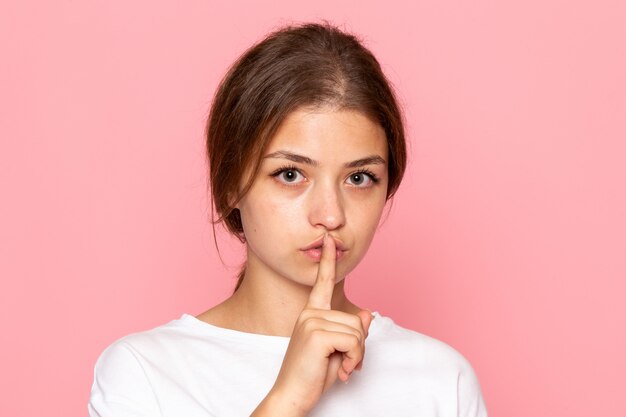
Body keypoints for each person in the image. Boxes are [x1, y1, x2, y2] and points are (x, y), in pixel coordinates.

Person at [88, 22, 488, 417]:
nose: (331, 214)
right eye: (290, 174)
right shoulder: (145, 374)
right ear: (230, 184)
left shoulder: (440, 381)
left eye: (359, 178)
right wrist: (288, 400)